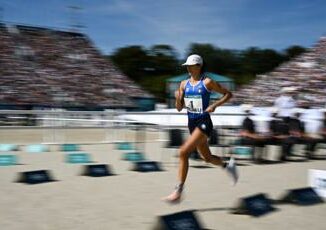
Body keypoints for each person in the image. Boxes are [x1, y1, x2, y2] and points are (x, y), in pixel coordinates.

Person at [162, 54, 238, 203]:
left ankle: (178, 191)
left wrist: (214, 105)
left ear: (199, 66)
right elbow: (178, 108)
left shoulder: (208, 82)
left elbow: (228, 94)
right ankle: (228, 166)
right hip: (191, 124)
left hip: (204, 122)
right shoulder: (183, 84)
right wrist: (178, 97)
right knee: (207, 158)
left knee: (183, 152)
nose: (188, 68)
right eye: (187, 66)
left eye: (191, 66)